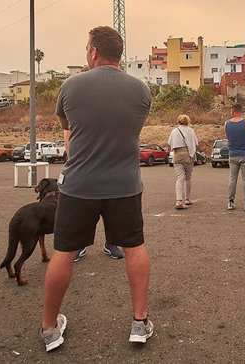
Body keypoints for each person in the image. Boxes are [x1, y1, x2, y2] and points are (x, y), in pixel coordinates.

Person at [40, 26, 153, 351]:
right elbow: (130, 127)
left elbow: (68, 127)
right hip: (125, 185)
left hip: (78, 186)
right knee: (134, 247)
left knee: (65, 251)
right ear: (118, 53)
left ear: (92, 52)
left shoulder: (71, 86)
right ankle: (139, 323)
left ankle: (49, 328)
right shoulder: (141, 89)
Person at [225, 103, 245, 211]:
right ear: (241, 111)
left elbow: (228, 136)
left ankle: (230, 202)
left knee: (232, 179)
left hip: (233, 155)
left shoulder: (227, 124)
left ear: (233, 112)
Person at [168, 114, 199, 209]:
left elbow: (169, 142)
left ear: (178, 121)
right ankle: (187, 199)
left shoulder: (174, 131)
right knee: (188, 178)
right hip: (188, 155)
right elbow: (196, 143)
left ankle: (178, 201)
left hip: (177, 155)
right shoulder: (190, 131)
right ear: (187, 121)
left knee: (179, 178)